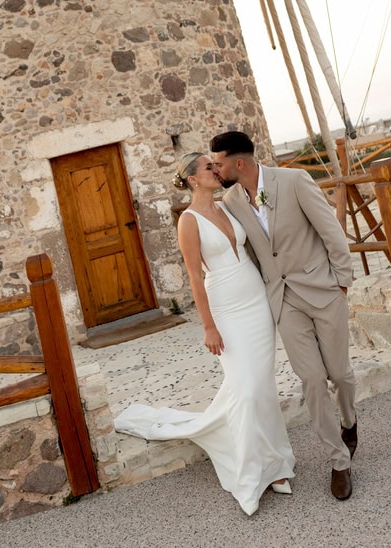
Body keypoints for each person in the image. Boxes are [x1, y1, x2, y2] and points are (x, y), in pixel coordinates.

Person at [114, 152, 296, 516]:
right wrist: (209, 326)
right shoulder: (188, 220)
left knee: (261, 385)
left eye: (216, 166)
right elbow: (195, 277)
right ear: (193, 179)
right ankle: (250, 473)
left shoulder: (229, 206)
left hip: (256, 301)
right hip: (226, 308)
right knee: (245, 389)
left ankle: (276, 462)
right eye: (209, 168)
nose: (216, 170)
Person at [210, 131, 357, 501]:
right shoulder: (230, 201)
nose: (216, 169)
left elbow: (331, 231)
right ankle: (339, 461)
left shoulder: (294, 181)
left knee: (340, 374)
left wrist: (341, 282)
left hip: (323, 290)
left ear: (238, 162)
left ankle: (349, 420)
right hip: (283, 301)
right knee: (312, 379)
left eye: (219, 163)